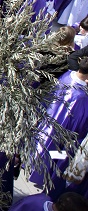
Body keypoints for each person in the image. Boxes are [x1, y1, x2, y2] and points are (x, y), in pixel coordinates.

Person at [28, 56, 88, 196]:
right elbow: (80, 126)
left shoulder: (68, 75)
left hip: (50, 122)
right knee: (58, 160)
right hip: (64, 134)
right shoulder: (81, 96)